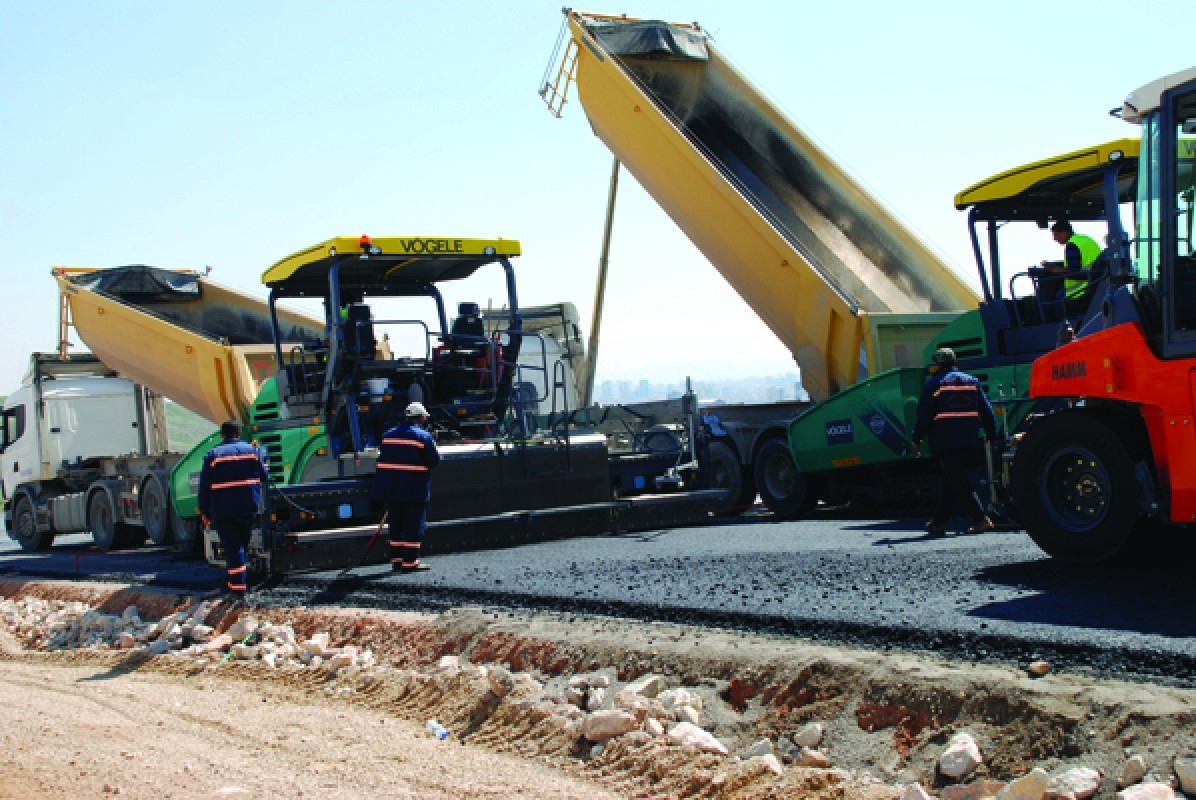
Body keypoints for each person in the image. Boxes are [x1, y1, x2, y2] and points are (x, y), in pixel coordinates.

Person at [911, 348, 998, 536]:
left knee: (958, 481)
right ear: (955, 362)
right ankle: (938, 523)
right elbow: (987, 411)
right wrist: (992, 435)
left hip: (945, 441)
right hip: (969, 439)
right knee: (951, 480)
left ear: (937, 365)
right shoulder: (972, 382)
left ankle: (980, 518)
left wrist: (916, 438)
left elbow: (924, 416)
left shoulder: (933, 385)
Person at [197, 419, 268, 601]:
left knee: (233, 548)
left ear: (222, 435)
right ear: (239, 434)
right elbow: (264, 476)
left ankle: (237, 590)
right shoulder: (253, 451)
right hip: (248, 508)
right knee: (240, 547)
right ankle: (235, 582)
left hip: (224, 510)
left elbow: (204, 487)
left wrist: (204, 512)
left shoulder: (213, 456)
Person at [375, 401, 440, 572]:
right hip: (413, 490)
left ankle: (396, 560)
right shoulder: (423, 437)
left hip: (391, 490)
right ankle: (410, 562)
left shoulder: (388, 435)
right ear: (421, 418)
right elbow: (434, 462)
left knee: (396, 524)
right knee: (413, 525)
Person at [1041, 220, 1101, 314]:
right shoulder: (1085, 239)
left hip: (1081, 291)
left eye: (1056, 235)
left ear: (1064, 233)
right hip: (1096, 285)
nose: (1054, 238)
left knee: (1056, 299)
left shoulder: (1071, 245)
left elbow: (1074, 271)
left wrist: (1053, 269)